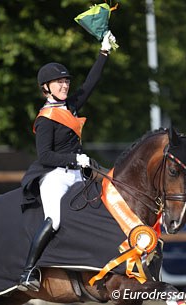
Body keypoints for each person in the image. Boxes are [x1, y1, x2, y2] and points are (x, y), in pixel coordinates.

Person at [18, 30, 117, 292]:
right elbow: (45, 156)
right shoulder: (45, 118)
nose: (64, 85)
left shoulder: (70, 107)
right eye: (58, 82)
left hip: (77, 172)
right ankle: (28, 272)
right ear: (46, 88)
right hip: (54, 176)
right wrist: (75, 158)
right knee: (56, 219)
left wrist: (103, 52)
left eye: (65, 81)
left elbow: (90, 84)